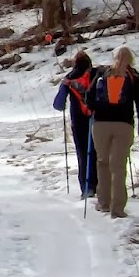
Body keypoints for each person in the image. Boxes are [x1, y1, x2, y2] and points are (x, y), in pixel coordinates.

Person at [85, 46, 139, 219]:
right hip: (123, 124)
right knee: (118, 166)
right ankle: (118, 208)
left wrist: (93, 108)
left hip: (100, 124)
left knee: (103, 162)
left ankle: (103, 202)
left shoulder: (102, 74)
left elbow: (89, 96)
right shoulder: (135, 77)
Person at [53, 49, 97, 197]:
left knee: (83, 153)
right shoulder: (96, 75)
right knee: (98, 153)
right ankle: (99, 186)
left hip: (78, 120)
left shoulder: (69, 79)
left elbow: (58, 105)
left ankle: (86, 187)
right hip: (96, 118)